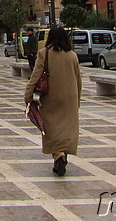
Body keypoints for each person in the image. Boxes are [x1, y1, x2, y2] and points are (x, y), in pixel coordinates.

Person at [24, 26, 82, 176]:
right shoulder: (72, 55)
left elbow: (35, 76)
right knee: (66, 128)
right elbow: (78, 79)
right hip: (70, 96)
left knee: (50, 127)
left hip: (51, 96)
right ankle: (62, 157)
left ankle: (58, 155)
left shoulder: (44, 54)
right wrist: (78, 99)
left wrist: (28, 95)